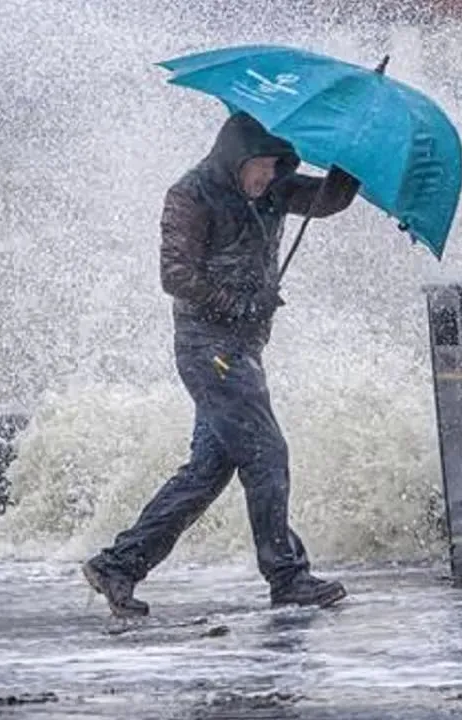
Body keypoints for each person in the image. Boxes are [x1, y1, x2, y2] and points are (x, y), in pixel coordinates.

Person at [82, 111, 360, 618]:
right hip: (207, 350)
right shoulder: (191, 194)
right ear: (237, 158)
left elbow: (327, 200)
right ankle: (287, 576)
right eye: (262, 166)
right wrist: (239, 304)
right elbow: (174, 275)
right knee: (266, 452)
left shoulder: (274, 189)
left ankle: (118, 565)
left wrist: (352, 155)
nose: (268, 177)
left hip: (243, 350)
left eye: (277, 167)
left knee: (207, 472)